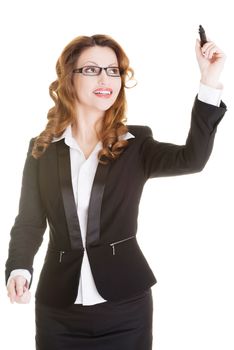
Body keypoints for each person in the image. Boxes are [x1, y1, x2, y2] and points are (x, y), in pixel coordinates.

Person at [5, 33, 227, 350]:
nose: (106, 78)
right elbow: (28, 221)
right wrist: (19, 268)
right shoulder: (41, 149)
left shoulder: (136, 144)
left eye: (113, 70)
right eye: (92, 69)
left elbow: (192, 159)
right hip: (58, 311)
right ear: (69, 77)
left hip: (126, 308)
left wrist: (209, 79)